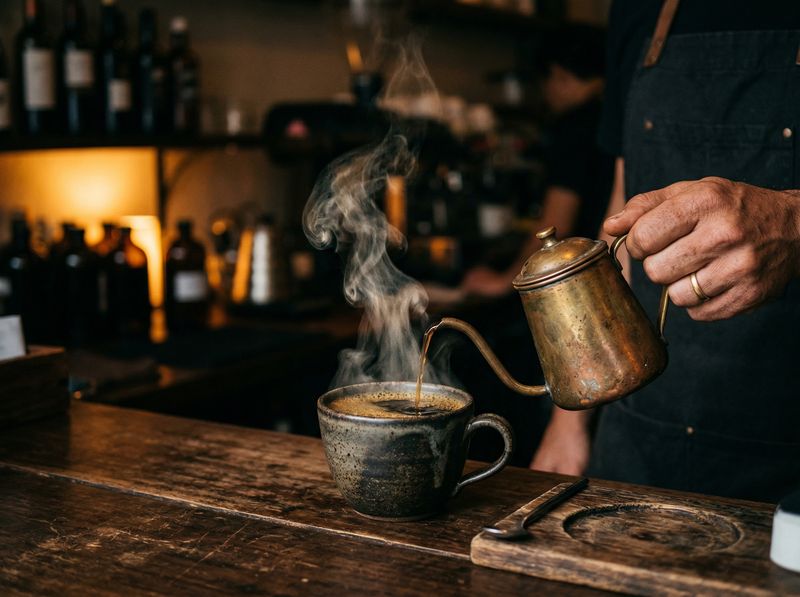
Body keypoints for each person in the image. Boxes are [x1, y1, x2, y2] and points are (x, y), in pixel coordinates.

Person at [531, 0, 800, 503]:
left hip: (787, 454)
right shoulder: (637, 9)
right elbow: (620, 209)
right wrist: (567, 426)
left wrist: (793, 220)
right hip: (639, 435)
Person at [461, 24, 614, 297]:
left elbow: (556, 224)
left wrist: (507, 281)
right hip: (611, 269)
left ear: (557, 74)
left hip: (579, 281)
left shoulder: (575, 127)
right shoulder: (613, 113)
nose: (546, 95)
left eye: (544, 84)